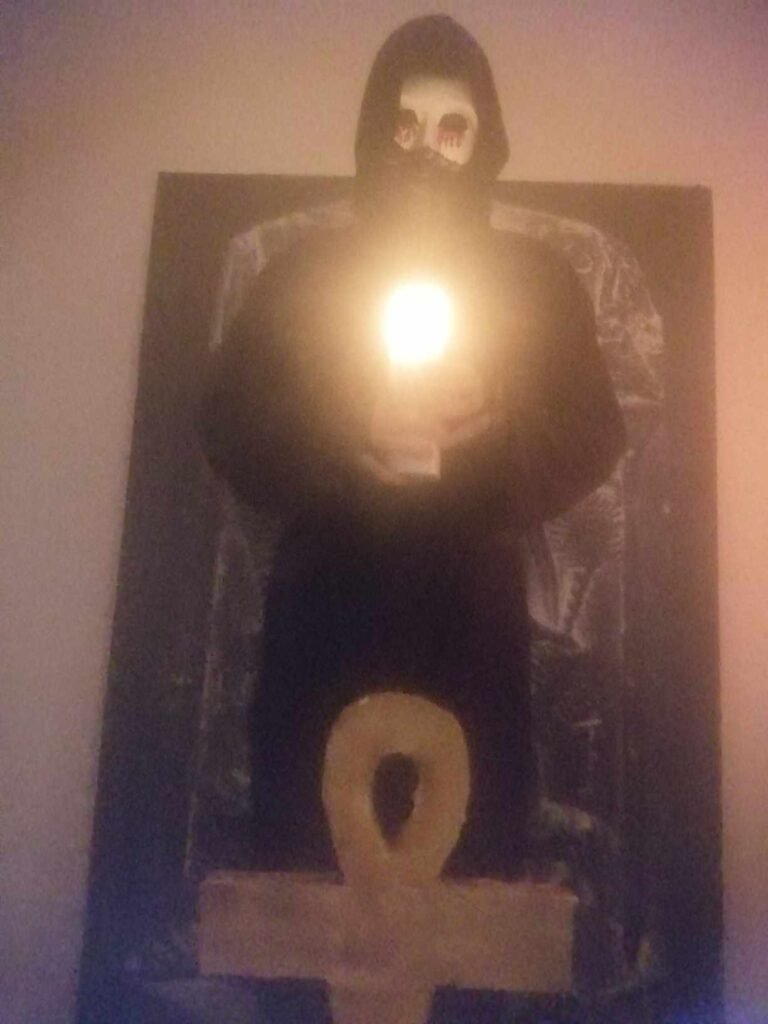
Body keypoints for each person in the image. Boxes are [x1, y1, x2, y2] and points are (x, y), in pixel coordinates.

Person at [199, 15, 626, 879]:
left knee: (469, 882)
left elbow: (592, 433)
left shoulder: (538, 284)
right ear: (373, 130)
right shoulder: (301, 276)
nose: (427, 150)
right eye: (405, 125)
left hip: (470, 626)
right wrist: (337, 434)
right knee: (306, 873)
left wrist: (493, 434)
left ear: (483, 140)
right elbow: (228, 422)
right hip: (322, 619)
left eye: (452, 129)